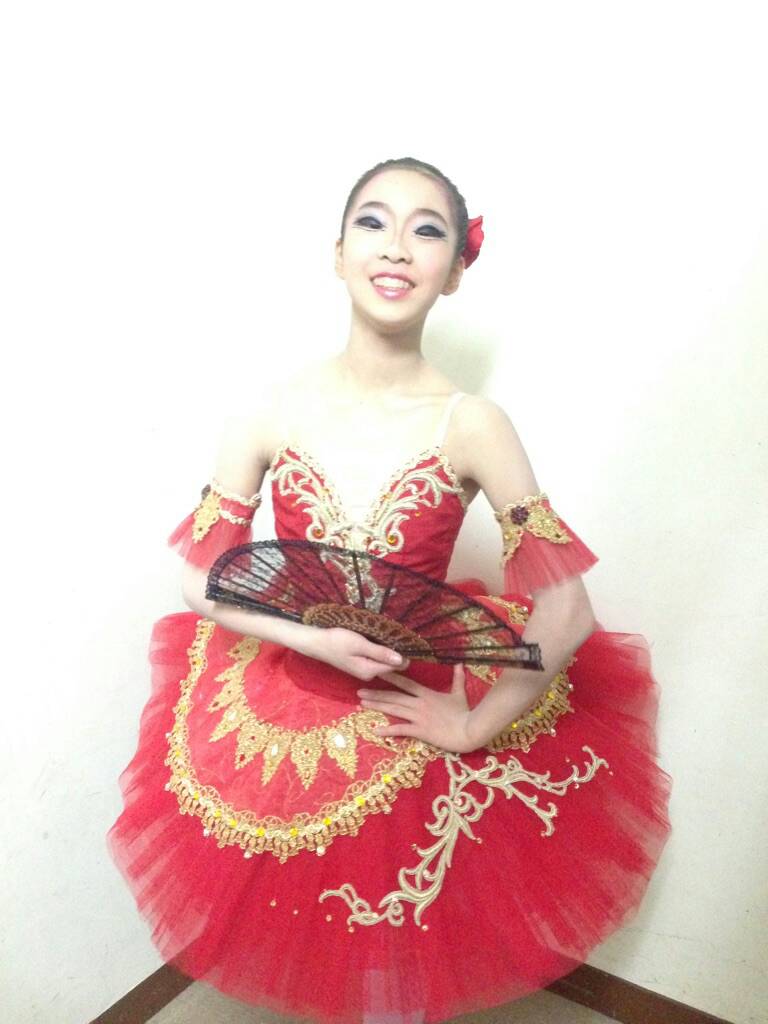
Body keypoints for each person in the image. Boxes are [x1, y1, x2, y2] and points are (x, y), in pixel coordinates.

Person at [107, 157, 672, 1024]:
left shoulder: (472, 424)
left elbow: (568, 609)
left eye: (428, 229)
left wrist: (474, 725)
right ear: (338, 254)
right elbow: (200, 575)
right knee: (310, 953)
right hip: (285, 710)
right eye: (373, 222)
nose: (398, 246)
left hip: (406, 716)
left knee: (400, 969)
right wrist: (309, 638)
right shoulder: (268, 412)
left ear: (454, 271)